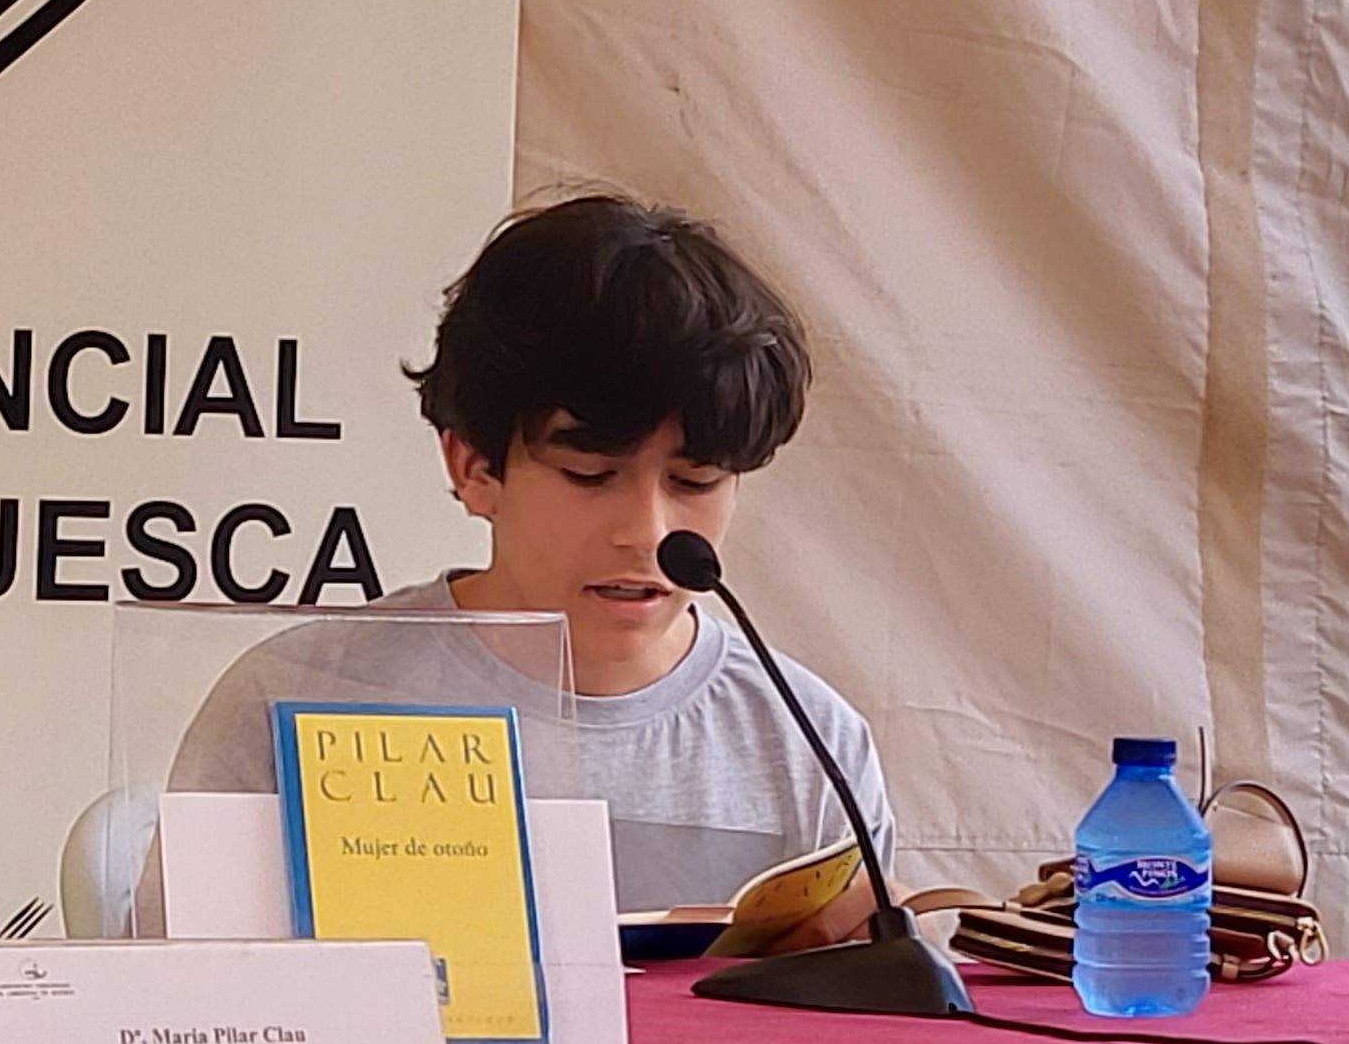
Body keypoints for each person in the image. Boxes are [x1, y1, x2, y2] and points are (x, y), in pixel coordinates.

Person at [173, 193, 891, 934]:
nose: (646, 533)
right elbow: (181, 996)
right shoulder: (301, 696)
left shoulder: (809, 742)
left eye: (695, 482)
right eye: (590, 475)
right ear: (474, 467)